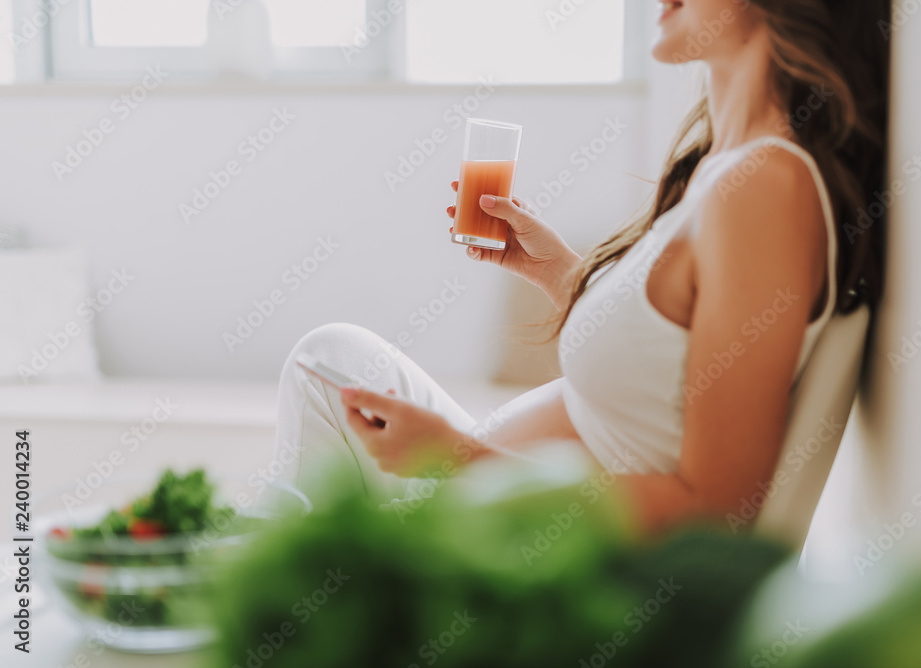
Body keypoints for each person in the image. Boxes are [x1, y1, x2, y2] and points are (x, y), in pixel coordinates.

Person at [275, 0, 889, 534]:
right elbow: (666, 360)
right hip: (508, 507)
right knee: (329, 358)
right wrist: (558, 272)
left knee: (319, 392)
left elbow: (714, 515)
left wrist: (461, 459)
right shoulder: (728, 169)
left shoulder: (765, 189)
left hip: (543, 554)